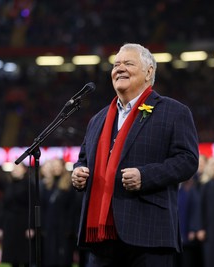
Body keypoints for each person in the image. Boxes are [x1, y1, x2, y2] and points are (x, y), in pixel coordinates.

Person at [71, 43, 199, 267]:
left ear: (149, 72)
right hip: (102, 238)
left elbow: (188, 160)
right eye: (116, 64)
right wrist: (78, 173)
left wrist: (145, 176)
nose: (119, 68)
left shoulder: (174, 112)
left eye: (128, 63)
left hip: (149, 234)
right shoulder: (97, 120)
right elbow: (83, 159)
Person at [40, 159, 81, 267]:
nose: (56, 168)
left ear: (63, 167)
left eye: (58, 166)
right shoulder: (47, 185)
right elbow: (43, 208)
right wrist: (43, 226)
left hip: (64, 228)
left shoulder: (69, 186)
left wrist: (70, 228)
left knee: (64, 257)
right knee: (50, 257)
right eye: (54, 166)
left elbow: (73, 209)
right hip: (50, 227)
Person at [0, 163, 35, 267]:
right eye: (14, 168)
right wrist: (0, 226)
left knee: (25, 255)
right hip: (10, 224)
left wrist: (31, 226)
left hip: (24, 223)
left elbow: (32, 206)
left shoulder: (29, 185)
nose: (15, 170)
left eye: (18, 168)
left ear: (24, 170)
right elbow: (4, 207)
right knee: (13, 256)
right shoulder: (8, 185)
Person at [177, 154, 207, 267]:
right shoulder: (184, 183)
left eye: (202, 163)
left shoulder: (196, 185)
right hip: (181, 233)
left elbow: (196, 208)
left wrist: (193, 228)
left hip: (193, 232)